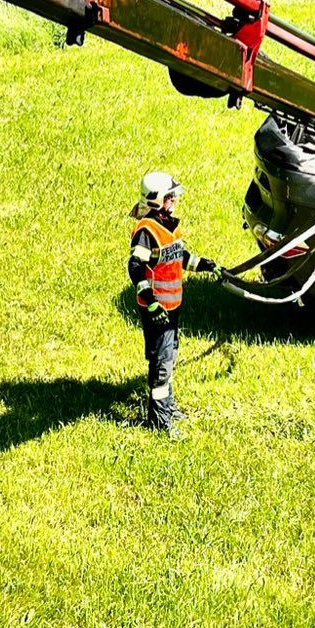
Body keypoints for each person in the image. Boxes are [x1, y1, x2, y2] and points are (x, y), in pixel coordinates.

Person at [128, 171, 222, 433]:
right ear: (156, 200)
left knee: (169, 357)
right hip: (157, 309)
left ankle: (166, 408)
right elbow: (135, 267)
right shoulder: (147, 231)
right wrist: (151, 302)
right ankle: (159, 422)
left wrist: (205, 265)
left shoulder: (171, 225)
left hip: (173, 306)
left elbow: (179, 257)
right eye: (169, 197)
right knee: (161, 363)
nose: (174, 200)